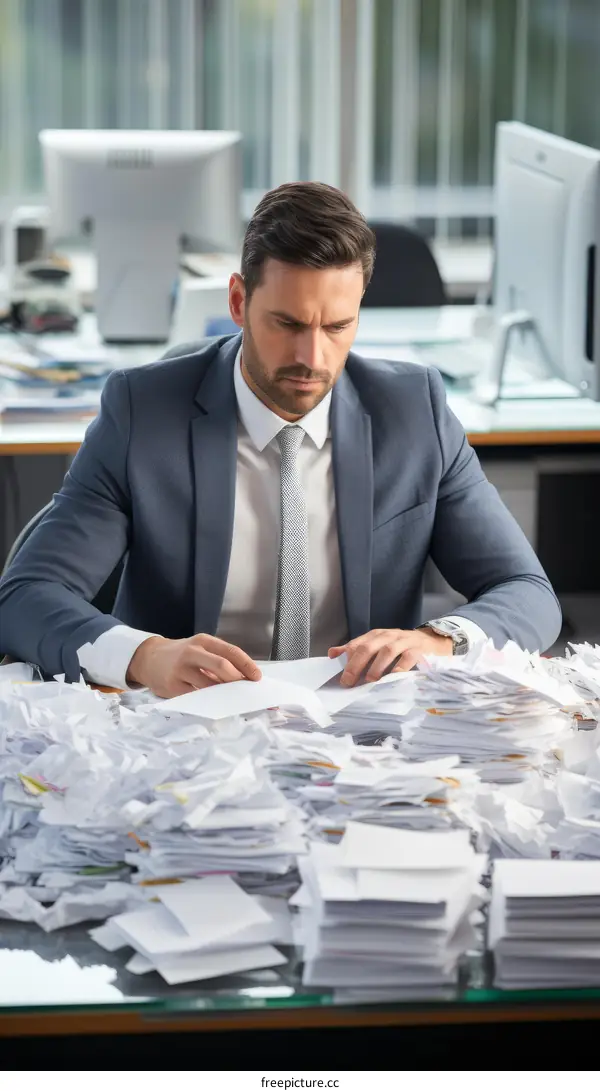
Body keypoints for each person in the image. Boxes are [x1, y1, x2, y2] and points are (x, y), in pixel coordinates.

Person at [0, 182, 561, 697]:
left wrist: (438, 641)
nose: (311, 359)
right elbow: (26, 596)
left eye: (336, 327)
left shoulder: (414, 412)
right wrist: (145, 655)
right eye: (288, 324)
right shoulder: (142, 413)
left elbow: (526, 591)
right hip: (188, 730)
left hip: (357, 732)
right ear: (239, 303)